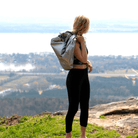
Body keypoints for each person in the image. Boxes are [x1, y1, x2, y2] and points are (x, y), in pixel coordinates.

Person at [65, 15, 93, 138]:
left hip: (84, 75)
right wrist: (81, 42)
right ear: (84, 25)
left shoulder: (80, 39)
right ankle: (68, 135)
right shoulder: (75, 40)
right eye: (87, 25)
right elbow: (82, 58)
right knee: (73, 107)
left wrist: (88, 63)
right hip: (75, 77)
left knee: (85, 107)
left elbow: (83, 60)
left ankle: (83, 135)